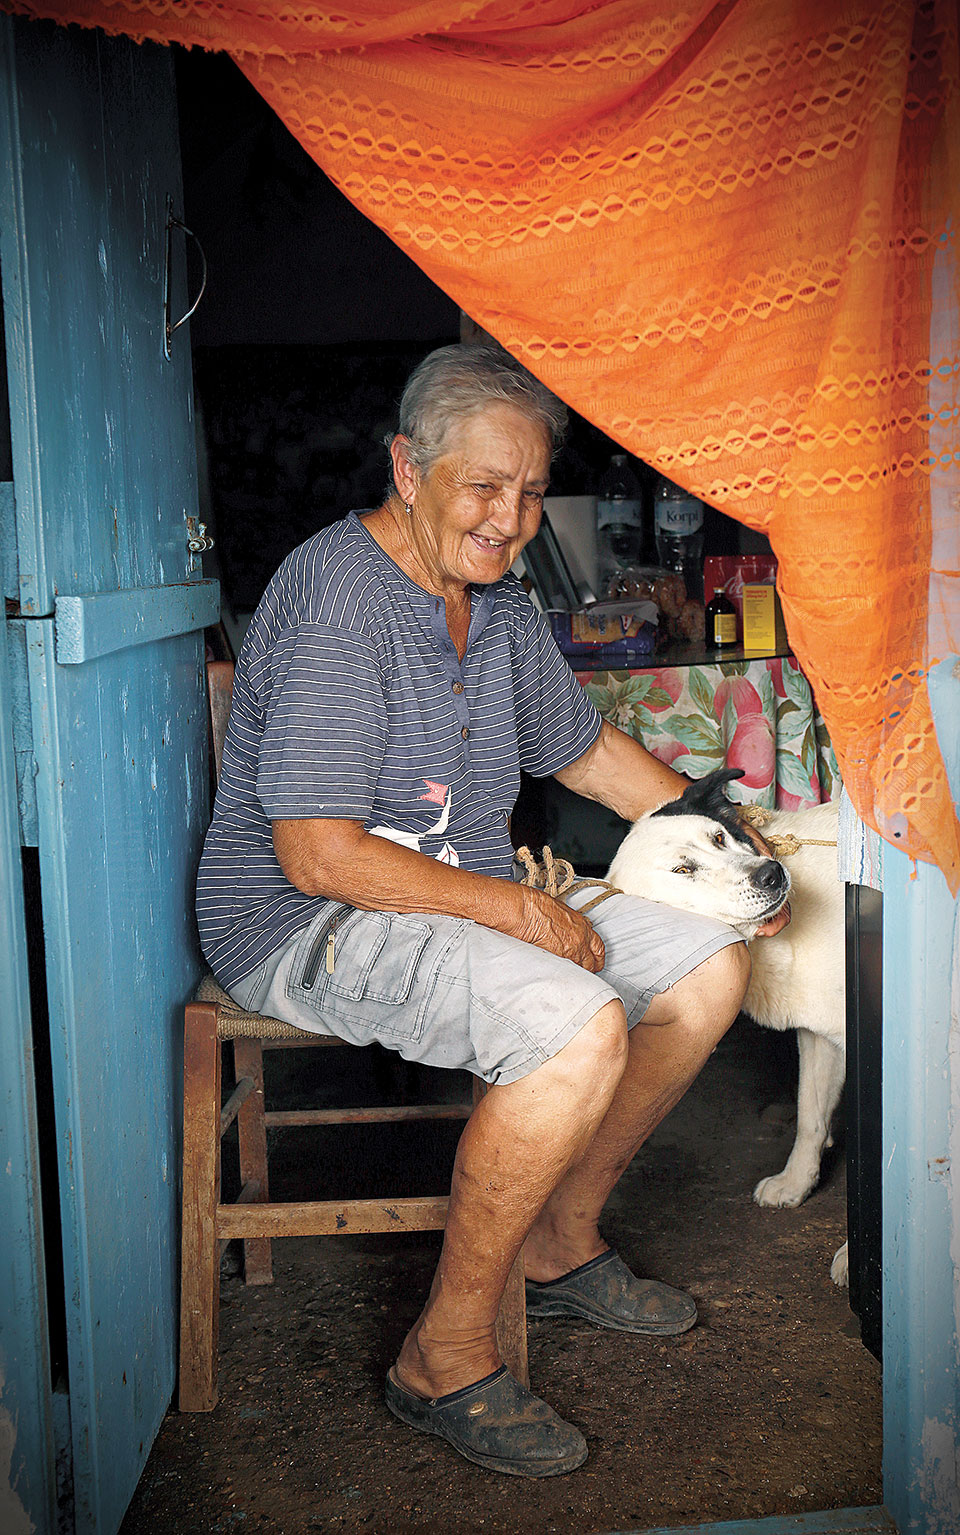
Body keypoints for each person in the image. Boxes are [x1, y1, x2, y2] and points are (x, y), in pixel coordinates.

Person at [196, 344, 789, 1478]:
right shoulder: (335, 598)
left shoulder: (501, 606)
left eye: (527, 493)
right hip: (301, 923)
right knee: (575, 1028)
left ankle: (561, 1240)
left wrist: (732, 854)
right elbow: (317, 856)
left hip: (454, 905)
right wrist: (520, 915)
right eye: (483, 487)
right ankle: (445, 1350)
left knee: (709, 966)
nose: (510, 519)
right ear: (407, 467)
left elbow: (589, 754)